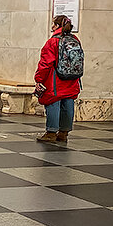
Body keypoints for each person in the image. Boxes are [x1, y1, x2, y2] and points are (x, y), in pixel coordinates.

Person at [34, 15, 81, 144]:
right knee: (68, 102)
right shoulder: (75, 39)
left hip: (55, 79)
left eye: (53, 24)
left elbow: (45, 63)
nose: (51, 26)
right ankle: (64, 133)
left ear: (57, 26)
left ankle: (51, 132)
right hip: (72, 78)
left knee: (53, 102)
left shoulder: (53, 42)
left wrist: (38, 78)